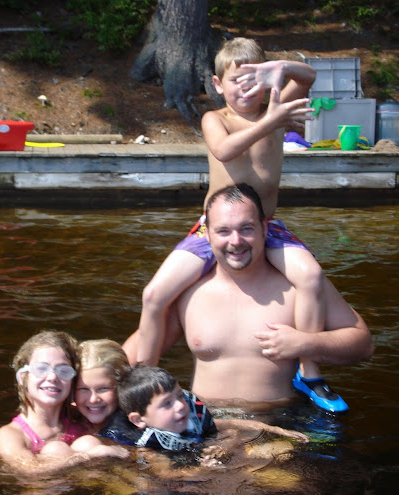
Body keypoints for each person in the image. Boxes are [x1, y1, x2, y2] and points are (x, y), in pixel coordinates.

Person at [134, 37, 345, 412]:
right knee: (153, 295)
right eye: (236, 81)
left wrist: (277, 68)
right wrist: (274, 122)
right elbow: (224, 150)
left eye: (254, 81)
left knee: (310, 277)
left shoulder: (275, 106)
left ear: (266, 83)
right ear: (218, 85)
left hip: (263, 224)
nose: (245, 89)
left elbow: (308, 75)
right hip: (211, 228)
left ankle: (309, 373)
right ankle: (142, 379)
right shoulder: (217, 118)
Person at [125, 184, 373, 411]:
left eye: (247, 229)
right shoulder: (187, 293)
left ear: (265, 229)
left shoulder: (299, 286)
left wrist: (306, 343)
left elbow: (363, 345)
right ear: (207, 234)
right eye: (223, 231)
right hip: (206, 429)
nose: (236, 241)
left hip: (283, 426)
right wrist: (92, 382)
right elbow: (134, 356)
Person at [99, 365, 308, 463]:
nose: (180, 406)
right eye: (167, 404)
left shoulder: (190, 412)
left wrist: (272, 428)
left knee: (284, 450)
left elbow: (225, 423)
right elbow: (167, 475)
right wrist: (203, 470)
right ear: (139, 419)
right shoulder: (147, 447)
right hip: (177, 471)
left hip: (199, 451)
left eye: (180, 397)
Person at [0, 330, 126, 473]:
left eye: (63, 370)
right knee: (56, 450)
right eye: (41, 368)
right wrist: (89, 456)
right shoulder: (11, 435)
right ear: (23, 377)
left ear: (72, 380)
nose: (52, 377)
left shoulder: (83, 415)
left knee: (87, 442)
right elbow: (31, 471)